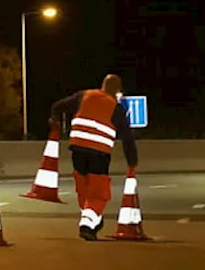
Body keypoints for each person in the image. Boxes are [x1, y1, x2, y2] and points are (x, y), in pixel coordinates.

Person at [49, 74, 139, 241]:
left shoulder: (84, 96)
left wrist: (55, 121)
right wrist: (132, 161)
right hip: (99, 154)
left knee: (83, 188)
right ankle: (87, 224)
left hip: (77, 150)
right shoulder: (116, 107)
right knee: (98, 192)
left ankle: (93, 219)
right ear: (117, 91)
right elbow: (127, 136)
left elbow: (57, 106)